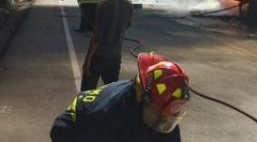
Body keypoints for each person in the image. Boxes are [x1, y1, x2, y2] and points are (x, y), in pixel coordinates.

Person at [51, 52, 190, 142]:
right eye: (159, 115)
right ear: (142, 96)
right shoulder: (108, 115)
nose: (163, 121)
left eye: (168, 118)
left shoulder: (160, 112)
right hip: (71, 131)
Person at [81, 0, 133, 91]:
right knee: (111, 95)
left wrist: (87, 61)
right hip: (115, 57)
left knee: (86, 94)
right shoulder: (128, 5)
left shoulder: (103, 5)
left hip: (99, 57)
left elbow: (97, 38)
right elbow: (128, 24)